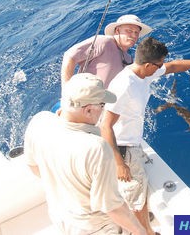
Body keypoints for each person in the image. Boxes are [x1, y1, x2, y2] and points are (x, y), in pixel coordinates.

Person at [100, 37, 190, 235]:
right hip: (123, 148)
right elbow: (106, 126)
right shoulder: (124, 86)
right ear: (148, 64)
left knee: (136, 195)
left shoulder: (143, 73)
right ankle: (145, 232)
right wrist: (120, 163)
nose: (161, 68)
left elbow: (173, 66)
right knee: (137, 199)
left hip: (131, 143)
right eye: (159, 65)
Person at [24, 73, 146, 235]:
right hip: (97, 228)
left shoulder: (39, 121)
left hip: (61, 217)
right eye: (102, 105)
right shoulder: (97, 147)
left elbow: (33, 166)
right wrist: (140, 232)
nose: (104, 110)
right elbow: (112, 208)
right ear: (88, 110)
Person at [61, 14, 152, 89]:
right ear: (117, 31)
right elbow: (70, 55)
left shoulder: (129, 59)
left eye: (136, 32)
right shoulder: (104, 41)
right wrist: (67, 92)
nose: (133, 35)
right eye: (129, 31)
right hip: (81, 99)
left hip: (101, 106)